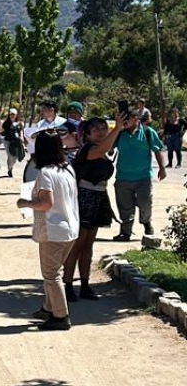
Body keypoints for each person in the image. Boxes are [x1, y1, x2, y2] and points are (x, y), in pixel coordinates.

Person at [17, 130, 79, 331]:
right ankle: (48, 308)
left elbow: (46, 203)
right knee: (55, 271)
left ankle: (61, 316)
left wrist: (25, 202)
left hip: (54, 230)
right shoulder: (67, 169)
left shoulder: (45, 173)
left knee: (51, 275)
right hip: (70, 228)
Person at [63, 115, 124, 302]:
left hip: (98, 198)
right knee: (77, 244)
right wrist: (117, 129)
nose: (100, 132)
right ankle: (67, 285)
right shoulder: (87, 150)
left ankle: (85, 284)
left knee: (88, 245)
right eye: (95, 129)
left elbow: (106, 149)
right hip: (84, 198)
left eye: (103, 128)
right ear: (87, 134)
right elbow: (102, 148)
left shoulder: (104, 151)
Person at [112, 108, 166, 241]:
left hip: (143, 177)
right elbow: (108, 148)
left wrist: (162, 168)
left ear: (136, 119)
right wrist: (116, 130)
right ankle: (125, 232)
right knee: (124, 207)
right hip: (123, 177)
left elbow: (157, 150)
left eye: (126, 119)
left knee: (145, 202)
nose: (124, 123)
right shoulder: (119, 133)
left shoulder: (148, 132)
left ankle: (146, 224)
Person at [2, 108, 24, 178]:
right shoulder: (6, 123)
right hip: (7, 141)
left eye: (13, 114)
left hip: (16, 142)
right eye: (11, 114)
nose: (12, 116)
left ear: (16, 115)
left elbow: (21, 131)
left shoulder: (19, 123)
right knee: (10, 156)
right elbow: (2, 130)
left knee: (15, 157)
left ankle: (11, 167)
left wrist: (22, 137)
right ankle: (9, 170)